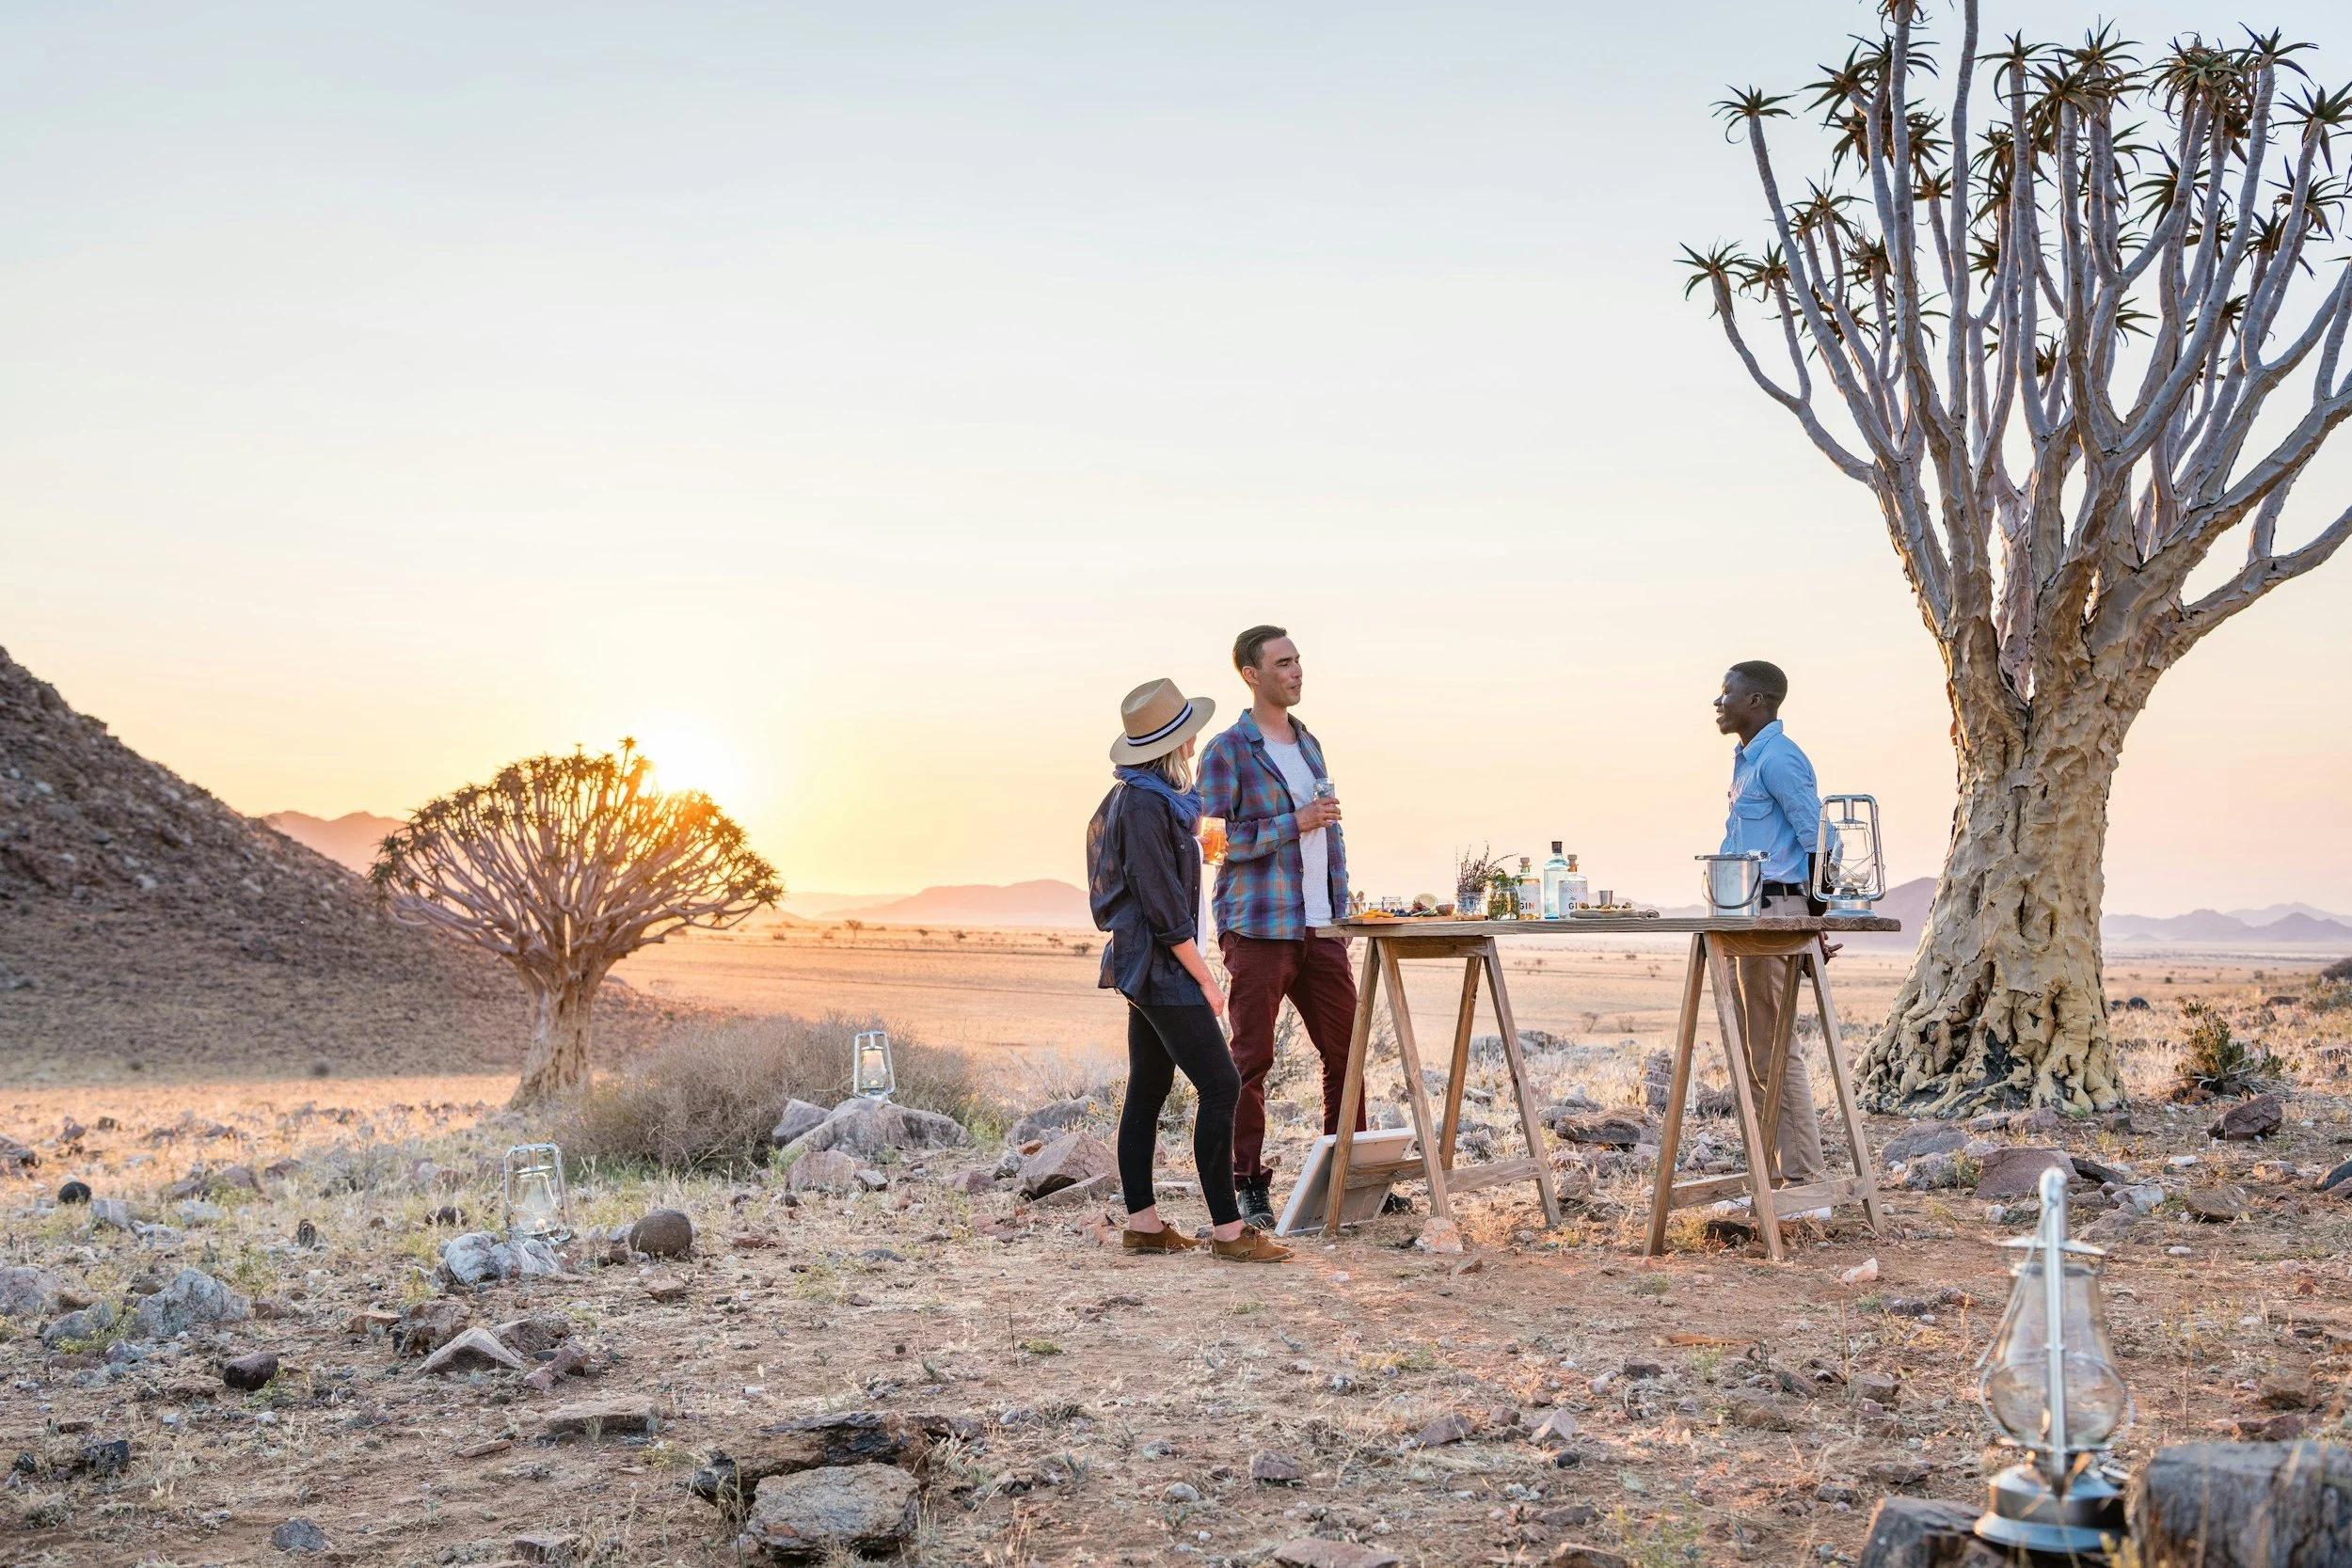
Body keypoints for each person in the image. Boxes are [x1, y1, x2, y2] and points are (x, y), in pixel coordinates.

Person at [1088, 677, 1293, 1263]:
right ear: (1172, 742)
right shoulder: (1148, 804)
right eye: (1187, 730)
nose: (1196, 737)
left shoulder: (1151, 798)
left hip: (1145, 967)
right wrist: (1205, 979)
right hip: (1160, 968)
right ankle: (1229, 1233)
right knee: (1222, 1085)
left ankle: (1144, 1225)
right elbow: (1162, 909)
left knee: (1148, 1090)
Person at [1199, 626, 1365, 1232]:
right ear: (1251, 673)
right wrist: (1292, 822)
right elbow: (1212, 842)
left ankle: (1348, 1181)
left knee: (1346, 1055)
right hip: (1260, 928)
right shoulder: (1227, 751)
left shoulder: (1309, 743)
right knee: (1250, 1061)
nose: (1298, 672)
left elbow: (1331, 835)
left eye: (1299, 661)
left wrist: (1339, 912)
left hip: (1320, 928)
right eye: (1284, 663)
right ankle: (1246, 1186)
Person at [1713, 658, 1830, 1212]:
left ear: (1756, 701)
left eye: (1727, 693)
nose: (1718, 702)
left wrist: (1813, 919)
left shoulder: (1781, 759)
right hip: (1748, 911)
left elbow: (1817, 841)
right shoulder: (1748, 760)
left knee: (1775, 1049)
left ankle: (1806, 1186)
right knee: (1758, 1048)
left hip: (1776, 911)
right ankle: (1779, 1179)